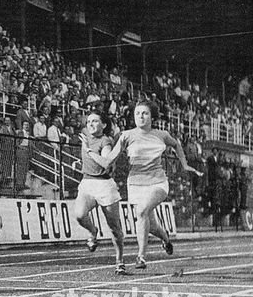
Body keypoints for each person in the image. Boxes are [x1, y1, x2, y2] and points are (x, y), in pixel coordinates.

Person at [84, 100, 202, 269]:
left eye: (145, 113)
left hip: (158, 182)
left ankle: (141, 257)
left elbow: (176, 145)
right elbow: (108, 160)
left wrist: (184, 164)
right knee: (151, 225)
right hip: (136, 184)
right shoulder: (126, 135)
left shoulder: (162, 134)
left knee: (142, 211)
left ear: (152, 116)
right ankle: (165, 239)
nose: (141, 116)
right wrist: (89, 152)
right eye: (138, 113)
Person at [74, 111, 125, 275]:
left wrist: (88, 151)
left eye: (95, 121)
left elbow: (105, 163)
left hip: (104, 185)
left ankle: (119, 261)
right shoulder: (85, 136)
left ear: (103, 125)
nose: (90, 124)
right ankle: (92, 231)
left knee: (114, 228)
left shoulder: (106, 141)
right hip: (87, 182)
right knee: (80, 214)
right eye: (88, 121)